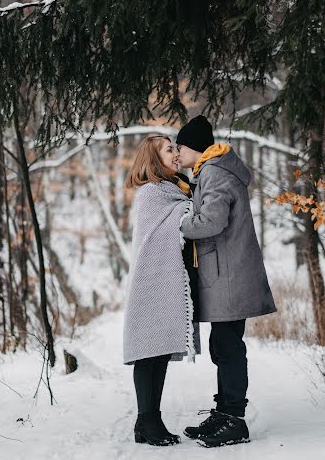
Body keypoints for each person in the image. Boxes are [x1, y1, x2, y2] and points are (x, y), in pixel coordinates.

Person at [177, 115, 277, 448]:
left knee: (229, 347)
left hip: (230, 274)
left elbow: (211, 221)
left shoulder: (216, 172)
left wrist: (181, 223)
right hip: (225, 272)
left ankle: (234, 419)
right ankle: (224, 413)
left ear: (194, 147)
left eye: (180, 147)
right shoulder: (211, 169)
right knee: (224, 344)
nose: (177, 153)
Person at [123, 135, 200, 446]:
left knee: (159, 352)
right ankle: (147, 420)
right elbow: (169, 226)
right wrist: (188, 211)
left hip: (165, 277)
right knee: (147, 351)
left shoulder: (174, 188)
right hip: (149, 279)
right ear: (154, 159)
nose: (176, 153)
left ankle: (149, 420)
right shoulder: (152, 193)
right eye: (169, 150)